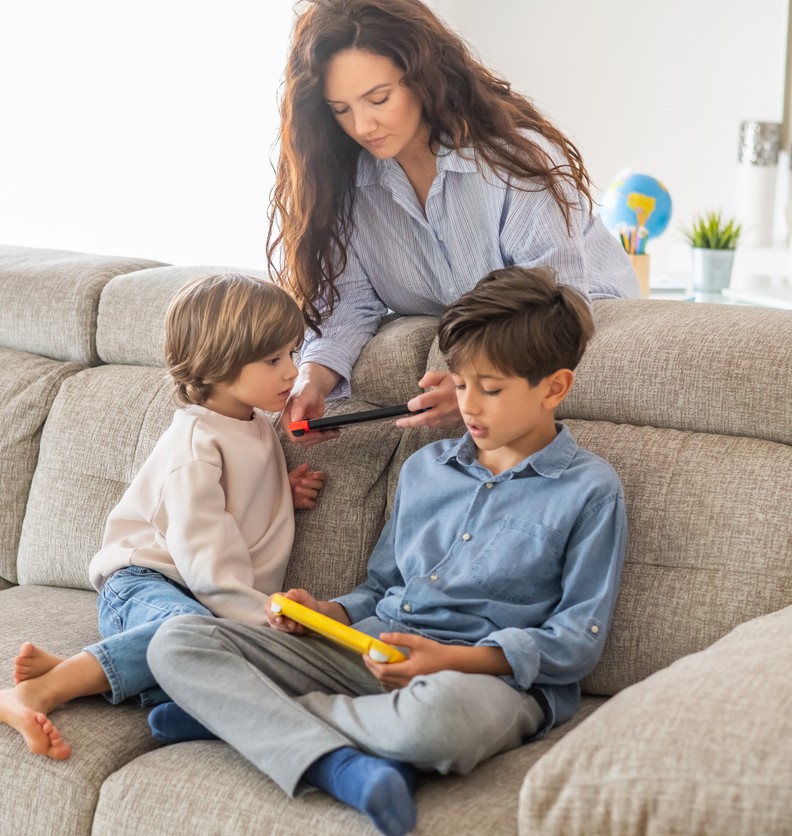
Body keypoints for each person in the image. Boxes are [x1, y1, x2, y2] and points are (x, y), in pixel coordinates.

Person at [146, 266, 628, 836]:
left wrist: (449, 658)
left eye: (490, 390)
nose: (468, 407)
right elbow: (380, 587)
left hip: (479, 680)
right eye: (462, 384)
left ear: (555, 387)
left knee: (436, 722)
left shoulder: (591, 489)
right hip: (370, 652)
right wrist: (331, 613)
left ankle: (239, 717)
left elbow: (575, 644)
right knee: (178, 641)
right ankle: (339, 758)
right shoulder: (426, 468)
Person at [269, 0, 640, 442]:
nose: (363, 125)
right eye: (341, 109)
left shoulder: (513, 162)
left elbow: (554, 300)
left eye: (379, 98)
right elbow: (349, 302)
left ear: (424, 78)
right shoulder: (348, 185)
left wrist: (475, 388)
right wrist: (314, 377)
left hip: (575, 321)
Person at [0, 273, 326, 760]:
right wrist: (264, 617)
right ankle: (33, 695)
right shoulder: (195, 445)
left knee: (228, 660)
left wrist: (282, 491)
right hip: (143, 581)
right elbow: (206, 562)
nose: (292, 372)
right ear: (217, 365)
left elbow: (234, 502)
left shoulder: (253, 422)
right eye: (274, 359)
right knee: (193, 635)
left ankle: (87, 670)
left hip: (193, 593)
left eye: (294, 354)